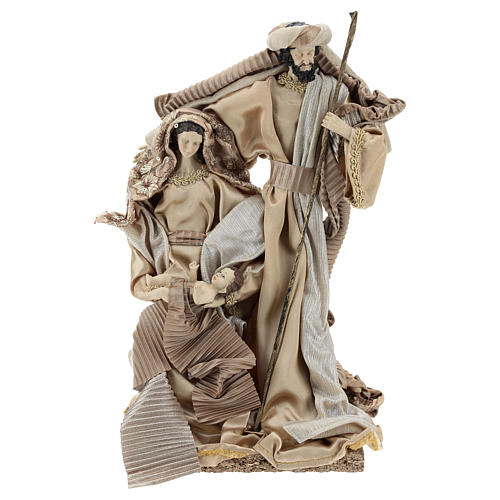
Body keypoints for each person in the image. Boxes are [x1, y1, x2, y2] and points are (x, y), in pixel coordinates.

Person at [152, 22, 405, 470]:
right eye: (299, 52)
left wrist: (344, 132)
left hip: (306, 206)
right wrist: (184, 137)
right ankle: (225, 358)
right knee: (223, 248)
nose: (306, 58)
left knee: (305, 299)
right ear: (286, 54)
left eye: (312, 51)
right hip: (272, 200)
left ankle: (305, 392)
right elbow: (218, 118)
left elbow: (376, 139)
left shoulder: (332, 91)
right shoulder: (265, 91)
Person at [97, 108, 263, 485]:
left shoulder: (215, 183)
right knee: (149, 329)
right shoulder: (164, 182)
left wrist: (221, 278)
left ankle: (220, 413)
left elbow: (246, 210)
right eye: (182, 139)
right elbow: (145, 217)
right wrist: (130, 226)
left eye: (195, 140)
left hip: (203, 268)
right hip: (171, 271)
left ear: (204, 143)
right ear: (173, 141)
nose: (188, 145)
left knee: (211, 341)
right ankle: (163, 405)